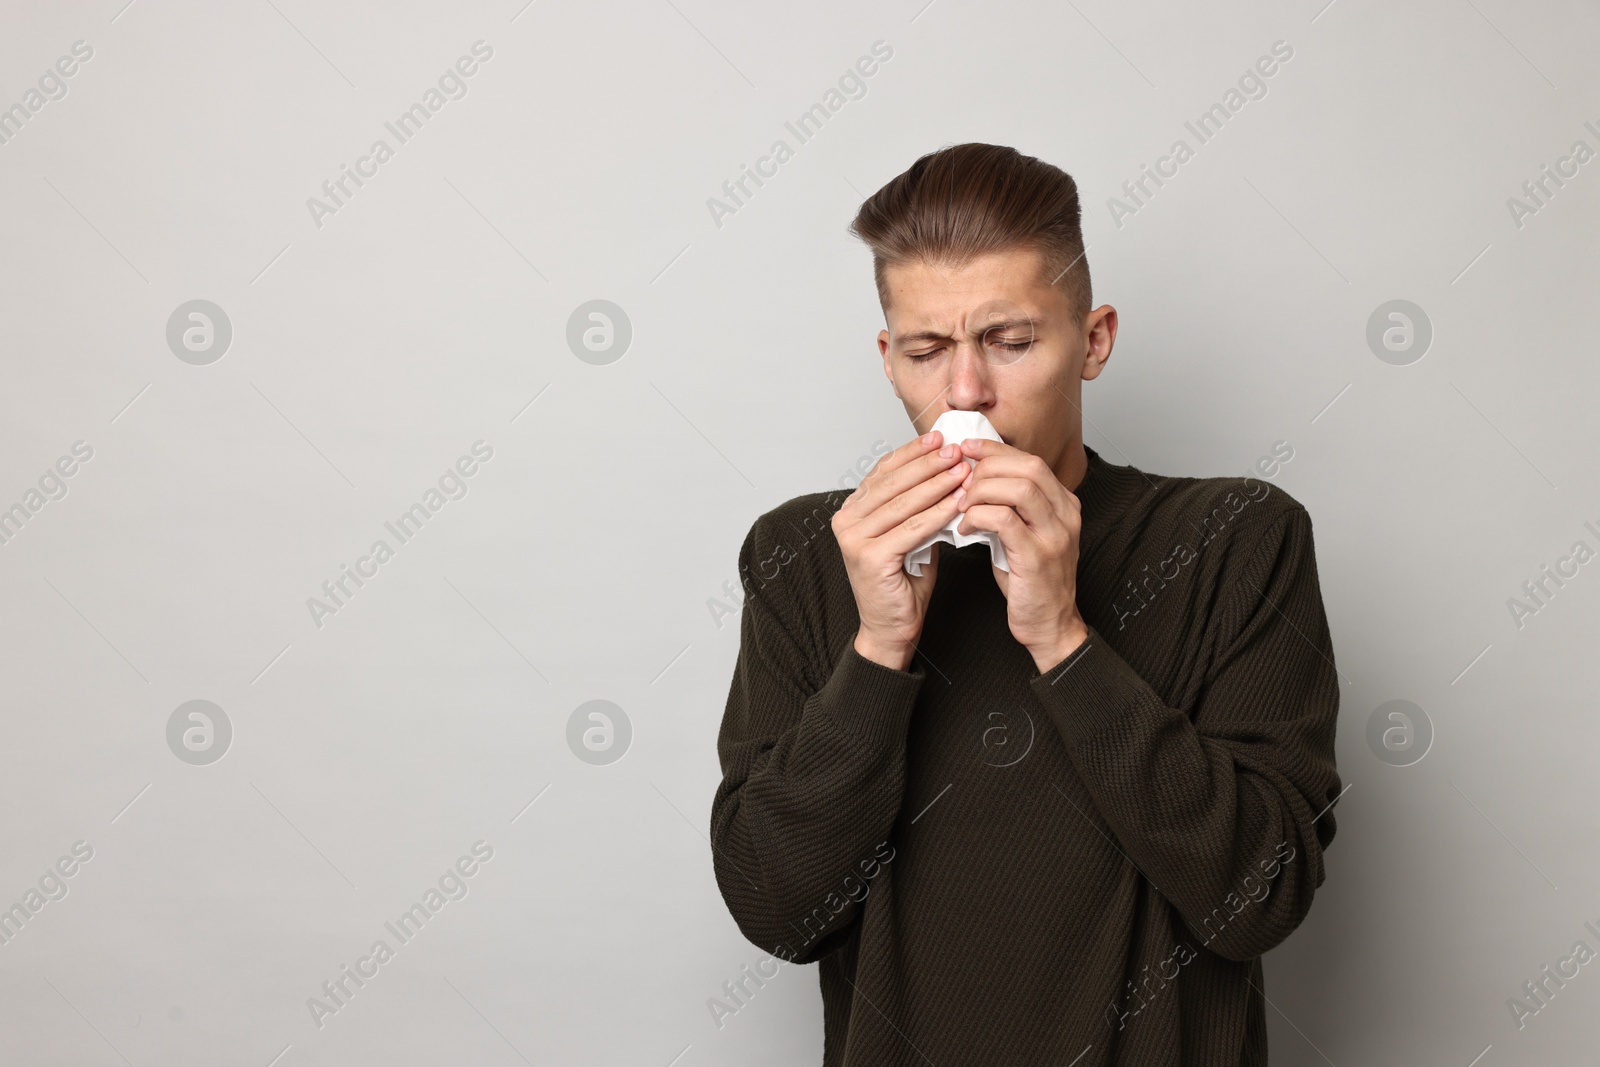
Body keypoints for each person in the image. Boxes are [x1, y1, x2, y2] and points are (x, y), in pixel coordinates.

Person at [709, 142, 1341, 1066]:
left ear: (1093, 341)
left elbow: (1259, 898)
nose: (966, 393)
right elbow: (775, 906)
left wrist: (1064, 638)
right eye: (927, 350)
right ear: (888, 360)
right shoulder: (806, 555)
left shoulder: (1235, 538)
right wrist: (879, 645)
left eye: (1010, 343)